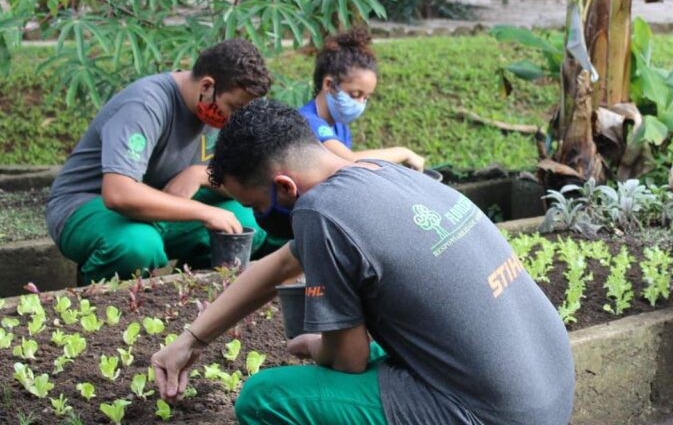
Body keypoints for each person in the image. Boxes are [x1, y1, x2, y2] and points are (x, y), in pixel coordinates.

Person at [150, 100, 575, 425]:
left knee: (264, 398)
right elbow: (278, 266)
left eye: (256, 205)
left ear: (285, 186)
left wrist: (317, 346)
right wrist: (192, 339)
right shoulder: (380, 173)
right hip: (549, 388)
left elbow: (346, 360)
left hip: (489, 414)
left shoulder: (320, 212)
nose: (258, 216)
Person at [45, 39, 276, 283]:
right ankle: (91, 296)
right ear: (207, 86)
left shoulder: (225, 112)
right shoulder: (145, 104)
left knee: (246, 223)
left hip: (164, 208)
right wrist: (204, 212)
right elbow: (118, 194)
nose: (237, 118)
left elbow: (247, 183)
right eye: (234, 107)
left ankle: (188, 290)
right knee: (137, 246)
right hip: (89, 205)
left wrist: (200, 174)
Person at [298, 28, 426, 172]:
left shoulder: (339, 125)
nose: (360, 104)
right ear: (329, 85)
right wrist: (404, 153)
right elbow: (350, 160)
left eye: (366, 97)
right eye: (355, 94)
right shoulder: (305, 122)